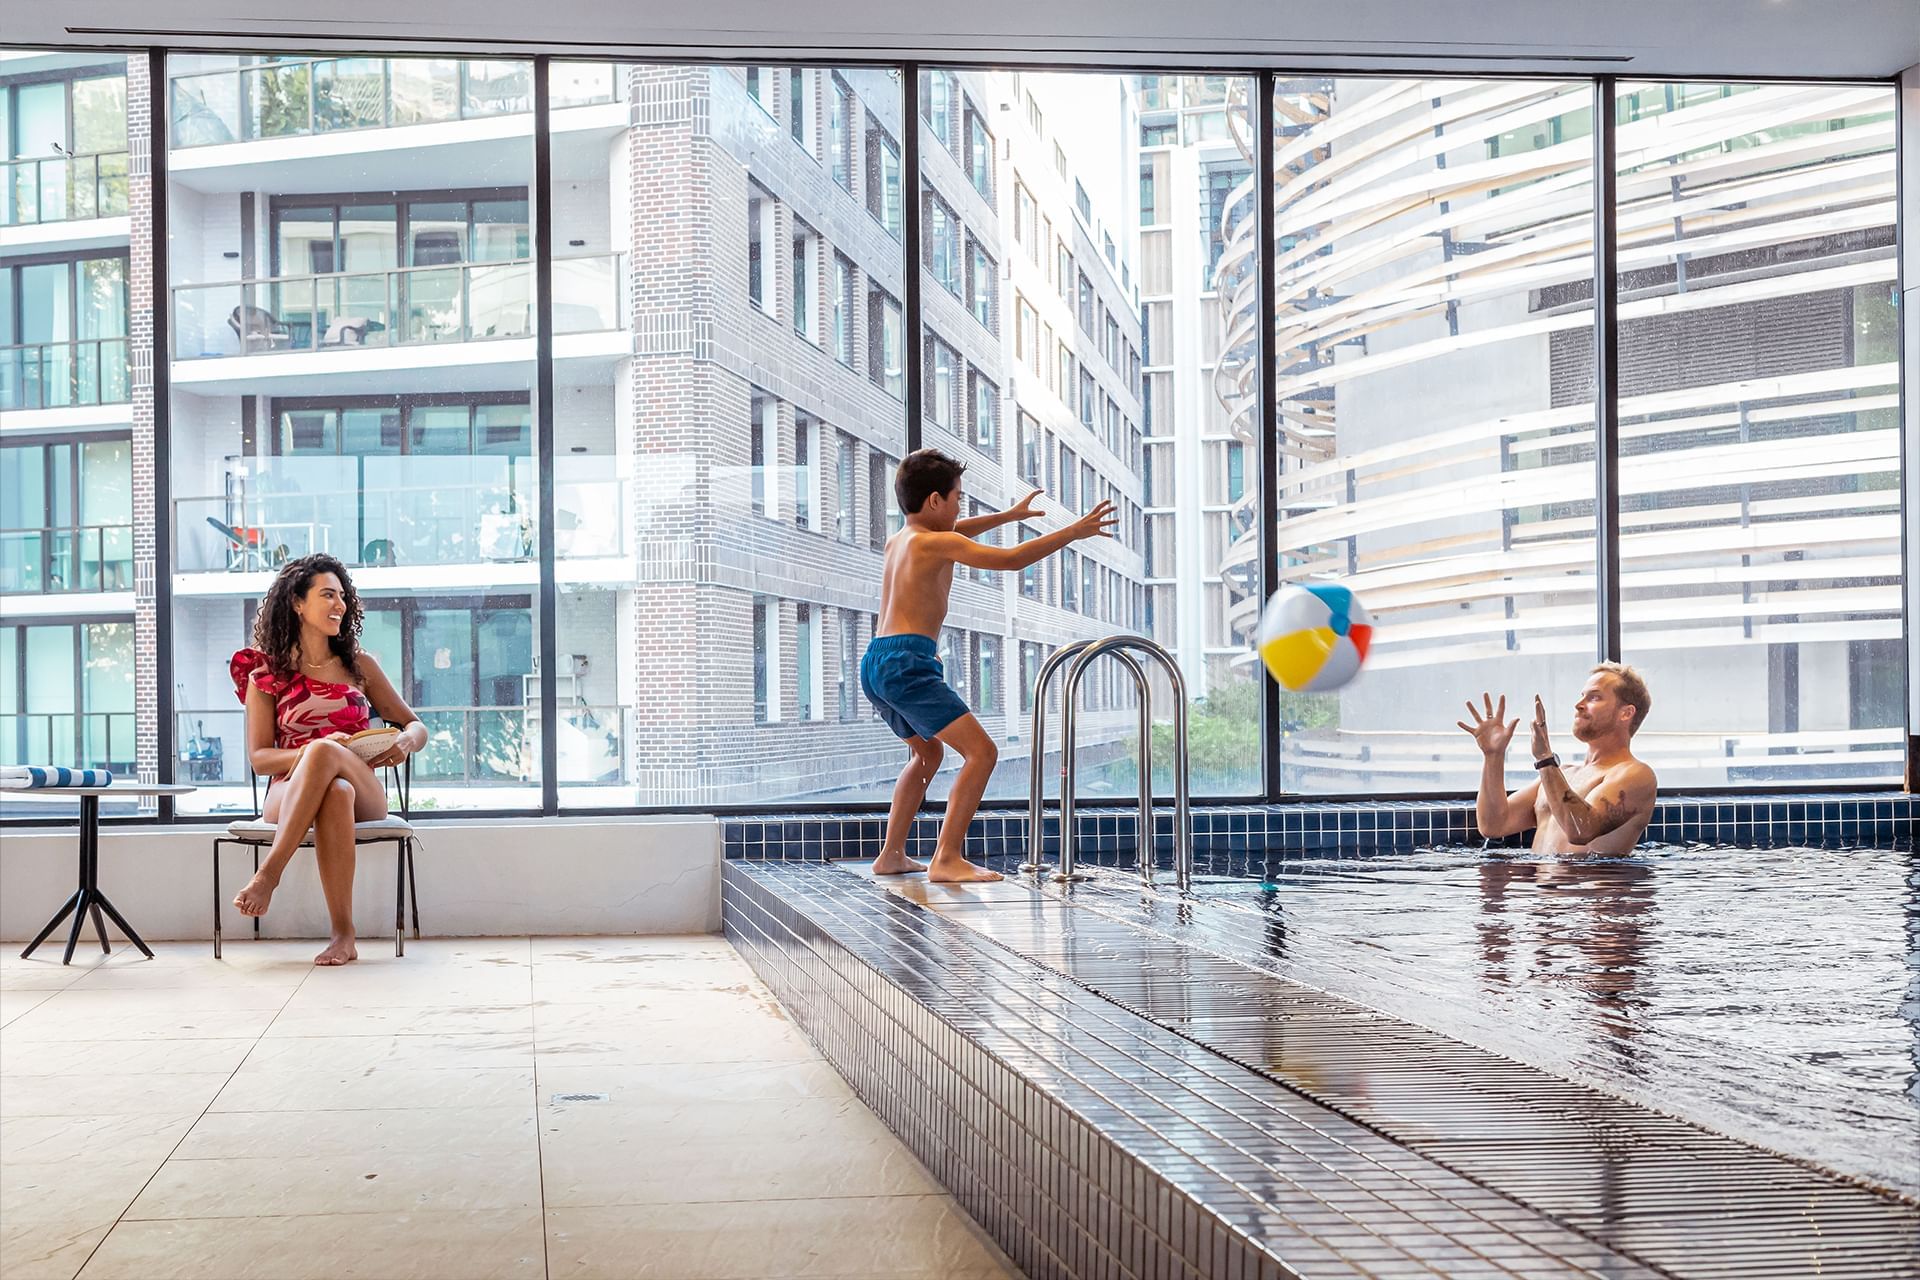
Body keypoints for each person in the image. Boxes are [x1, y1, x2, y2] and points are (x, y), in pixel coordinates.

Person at [864, 449, 1116, 883]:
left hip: (878, 660)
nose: (961, 507)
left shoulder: (902, 539)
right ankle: (947, 858)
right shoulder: (938, 541)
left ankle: (891, 855)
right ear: (935, 501)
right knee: (981, 753)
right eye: (958, 497)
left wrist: (1009, 516)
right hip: (908, 661)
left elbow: (961, 530)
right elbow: (1011, 560)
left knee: (927, 753)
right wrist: (1072, 532)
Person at [229, 554, 427, 964]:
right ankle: (344, 935)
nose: (340, 605)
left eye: (342, 596)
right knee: (331, 786)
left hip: (364, 790)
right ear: (298, 604)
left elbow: (415, 726)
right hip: (289, 789)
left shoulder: (360, 665)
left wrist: (404, 744)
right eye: (327, 595)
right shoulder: (265, 672)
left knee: (330, 762)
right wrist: (314, 751)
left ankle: (268, 876)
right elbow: (261, 759)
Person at [1458, 662, 1658, 855]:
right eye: (1582, 697)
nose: (1578, 705)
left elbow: (1580, 831)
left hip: (1592, 888)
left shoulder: (1636, 774)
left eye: (1594, 698)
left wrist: (1545, 759)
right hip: (1542, 888)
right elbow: (1493, 825)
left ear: (1626, 713)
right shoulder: (1563, 774)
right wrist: (1493, 756)